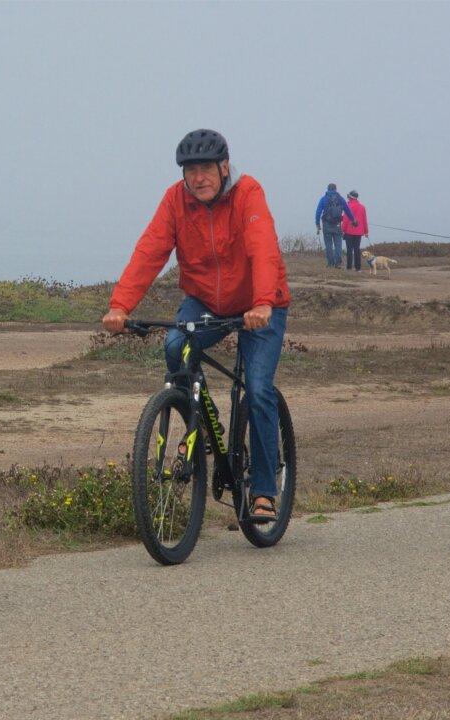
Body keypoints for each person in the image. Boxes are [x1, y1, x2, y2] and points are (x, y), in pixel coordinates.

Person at [101, 129, 291, 521]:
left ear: (224, 167)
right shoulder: (176, 200)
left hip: (259, 303)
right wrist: (120, 306)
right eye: (190, 170)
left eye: (206, 168)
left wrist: (262, 302)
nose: (198, 177)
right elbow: (150, 250)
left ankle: (263, 491)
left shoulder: (248, 193)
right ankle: (200, 423)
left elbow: (262, 248)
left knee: (257, 390)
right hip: (205, 301)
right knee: (175, 345)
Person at [314, 183, 356, 268]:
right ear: (335, 189)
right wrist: (353, 220)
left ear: (328, 189)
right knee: (338, 244)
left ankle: (330, 263)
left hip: (326, 224)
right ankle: (338, 263)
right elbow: (347, 210)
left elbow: (318, 212)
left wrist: (317, 224)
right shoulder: (340, 199)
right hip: (337, 224)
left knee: (328, 245)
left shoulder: (323, 199)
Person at [342, 190, 368, 272]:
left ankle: (349, 267)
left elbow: (345, 220)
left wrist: (343, 229)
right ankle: (358, 268)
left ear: (350, 197)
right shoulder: (362, 207)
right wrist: (366, 231)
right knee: (357, 249)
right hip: (359, 232)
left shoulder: (348, 206)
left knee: (349, 249)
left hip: (349, 231)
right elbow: (364, 220)